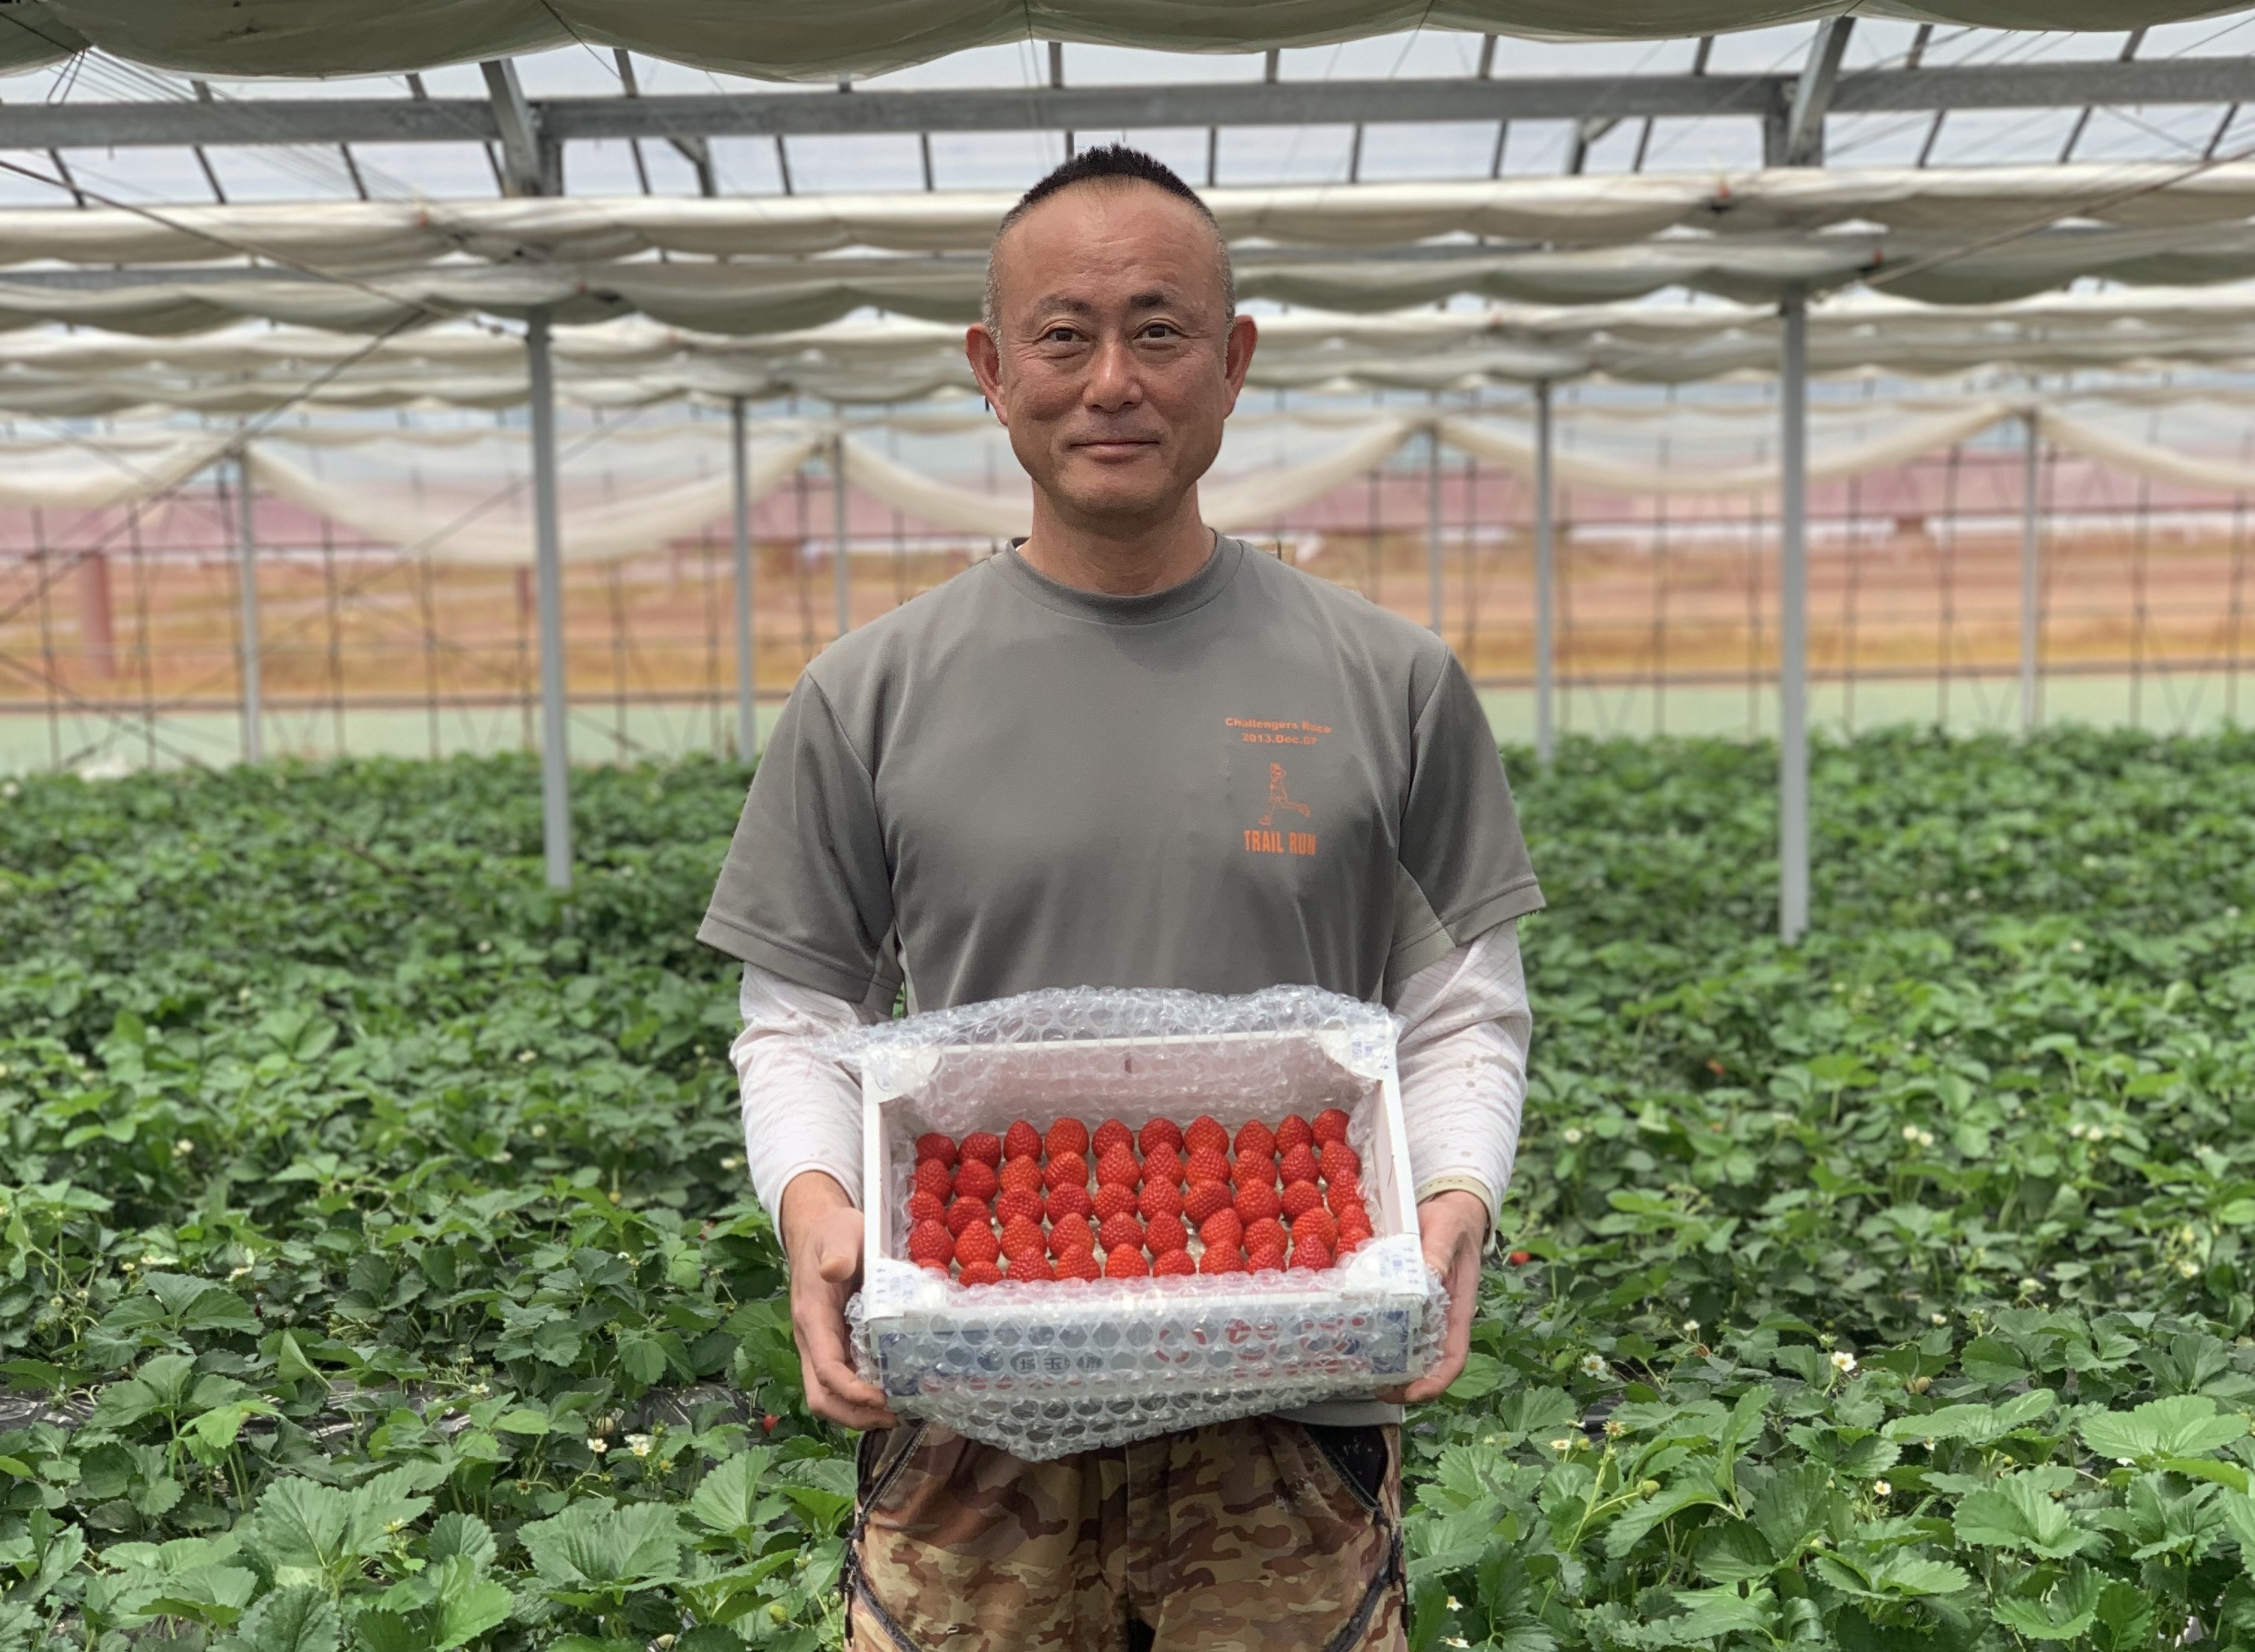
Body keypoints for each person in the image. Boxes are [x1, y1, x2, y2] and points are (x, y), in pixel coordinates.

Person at [699, 145, 1542, 1652]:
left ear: (1233, 362)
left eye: (1159, 331)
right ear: (990, 366)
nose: (1111, 382)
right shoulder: (870, 693)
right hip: (972, 1411)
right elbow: (801, 1014)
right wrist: (817, 1200)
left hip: (1293, 1406)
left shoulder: (1393, 681)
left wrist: (1457, 1191)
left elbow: (1461, 1005)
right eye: (1063, 335)